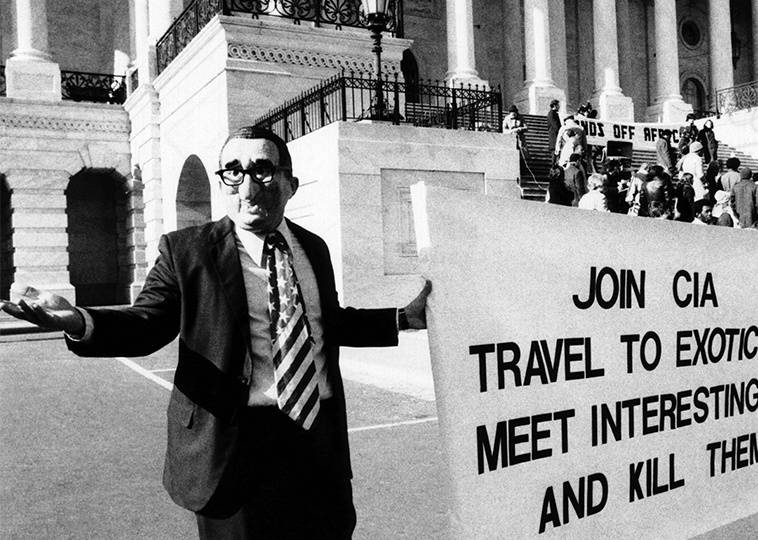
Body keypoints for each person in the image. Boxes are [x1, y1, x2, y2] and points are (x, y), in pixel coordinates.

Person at [0, 126, 433, 539]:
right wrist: (80, 321)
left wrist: (403, 317)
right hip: (236, 445)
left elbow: (327, 322)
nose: (248, 187)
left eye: (263, 171)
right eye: (234, 173)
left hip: (317, 441)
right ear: (223, 181)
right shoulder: (185, 250)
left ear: (290, 183)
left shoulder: (312, 247)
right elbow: (148, 324)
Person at [547, 99, 561, 165]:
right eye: (558, 105)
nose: (559, 107)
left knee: (556, 155)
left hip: (555, 136)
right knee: (555, 156)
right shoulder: (551, 114)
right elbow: (555, 125)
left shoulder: (554, 113)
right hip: (554, 137)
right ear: (555, 105)